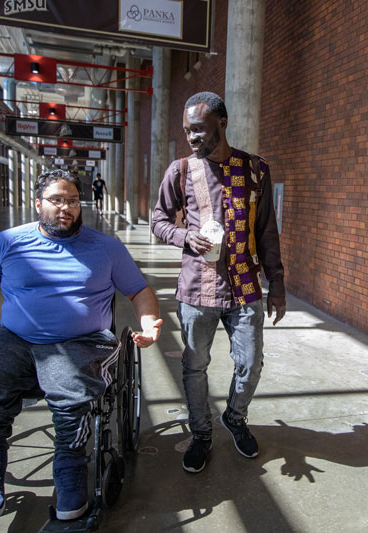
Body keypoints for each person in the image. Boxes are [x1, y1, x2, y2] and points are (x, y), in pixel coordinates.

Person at [0, 169, 162, 521]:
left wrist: (148, 324)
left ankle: (69, 465)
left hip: (83, 342)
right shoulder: (7, 243)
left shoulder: (106, 247)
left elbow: (139, 291)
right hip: (16, 339)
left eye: (72, 201)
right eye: (56, 200)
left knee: (70, 384)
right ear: (38, 204)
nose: (66, 207)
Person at [152, 91, 286, 474]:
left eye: (198, 130)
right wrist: (183, 237)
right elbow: (159, 219)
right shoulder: (180, 171)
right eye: (186, 131)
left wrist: (276, 285)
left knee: (250, 362)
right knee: (195, 366)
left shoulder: (256, 170)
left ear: (221, 124)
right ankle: (201, 434)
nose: (191, 138)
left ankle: (236, 417)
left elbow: (267, 232)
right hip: (198, 290)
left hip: (245, 288)